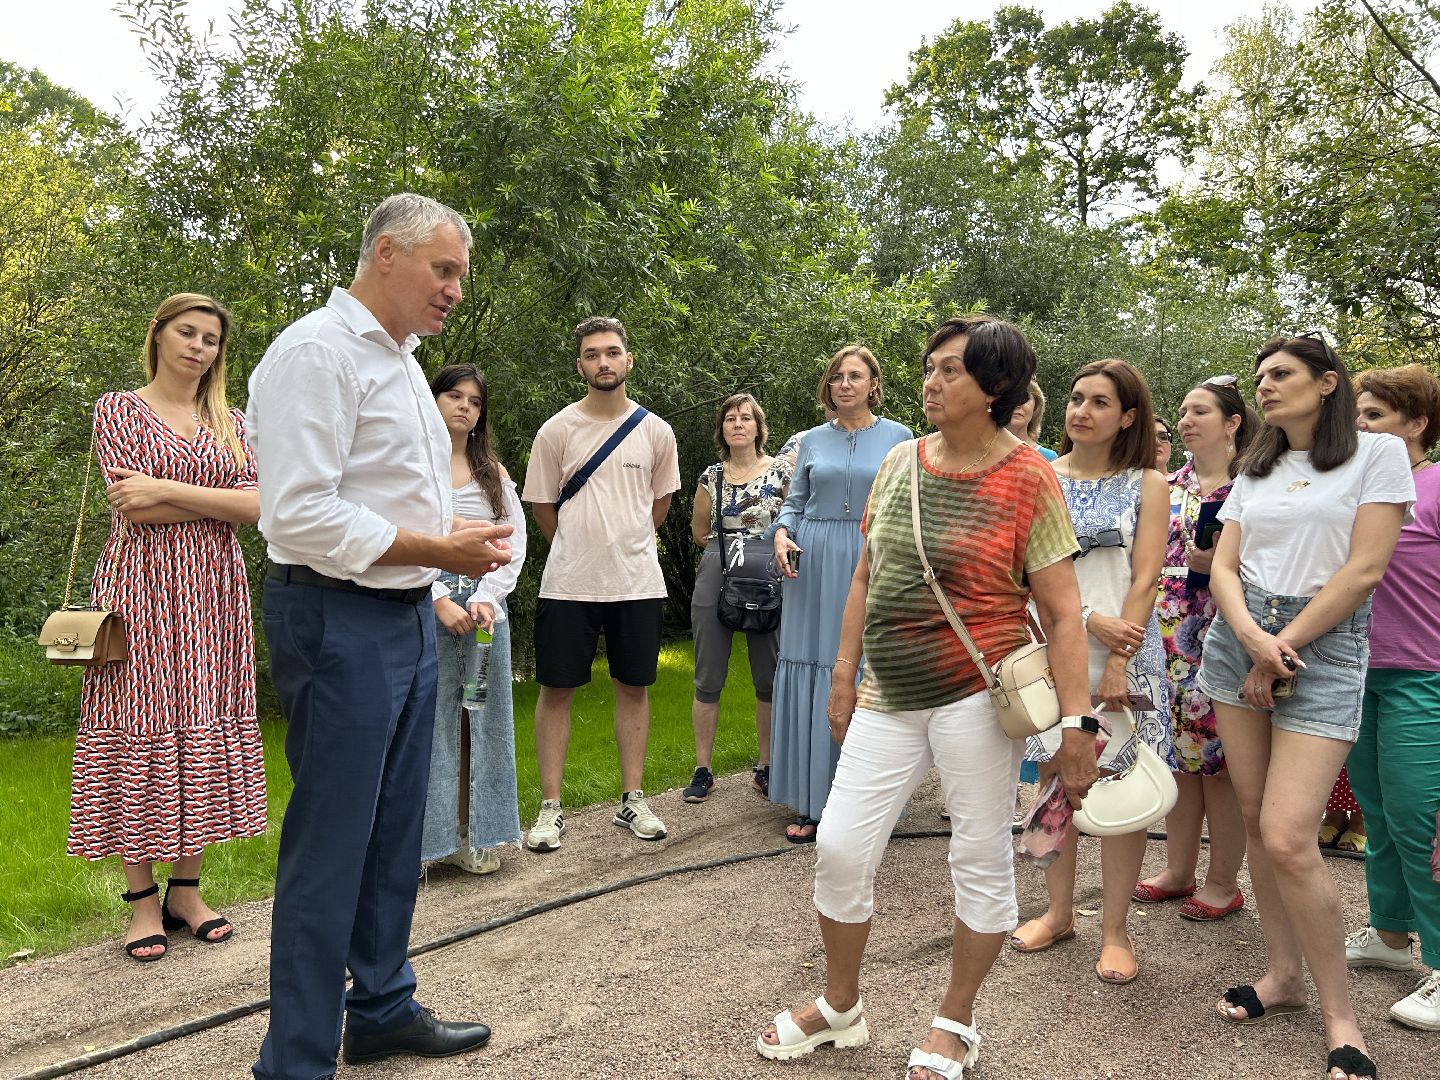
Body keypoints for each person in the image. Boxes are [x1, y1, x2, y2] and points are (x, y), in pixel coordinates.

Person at [755, 314, 1101, 1079]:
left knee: (977, 857)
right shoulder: (902, 462)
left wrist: (1079, 724)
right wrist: (844, 674)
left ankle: (955, 1021)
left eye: (951, 370)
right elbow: (866, 575)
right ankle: (840, 1007)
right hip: (887, 691)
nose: (932, 381)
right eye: (931, 368)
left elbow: (1065, 611)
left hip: (978, 695)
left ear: (995, 388)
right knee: (841, 846)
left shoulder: (1028, 475)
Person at [248, 194, 512, 1078]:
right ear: (387, 255)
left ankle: (383, 1009)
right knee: (333, 840)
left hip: (399, 616)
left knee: (394, 828)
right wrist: (439, 550)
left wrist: (432, 572)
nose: (454, 291)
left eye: (460, 276)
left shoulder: (400, 359)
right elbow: (300, 513)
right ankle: (294, 1061)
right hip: (333, 615)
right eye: (444, 270)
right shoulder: (315, 353)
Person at [1195, 333, 1412, 1080]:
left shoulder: (1376, 455)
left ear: (1328, 383)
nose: (1265, 385)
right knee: (1256, 818)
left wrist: (1279, 644)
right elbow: (1224, 564)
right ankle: (1281, 976)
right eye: (1259, 376)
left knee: (1290, 834)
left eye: (1280, 374)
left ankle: (1340, 1018)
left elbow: (1364, 571)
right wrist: (1253, 638)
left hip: (1322, 639)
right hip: (1241, 633)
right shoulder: (1260, 463)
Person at [68, 292, 265, 963]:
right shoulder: (118, 409)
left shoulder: (231, 420)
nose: (198, 348)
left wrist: (169, 491)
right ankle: (141, 904)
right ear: (157, 334)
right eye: (187, 332)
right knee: (140, 726)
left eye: (211, 339)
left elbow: (259, 507)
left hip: (214, 594)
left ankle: (186, 890)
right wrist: (207, 501)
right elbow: (133, 507)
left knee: (198, 727)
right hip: (143, 590)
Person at [1012, 358, 1171, 986]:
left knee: (1120, 789)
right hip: (1054, 651)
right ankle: (1058, 913)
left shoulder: (1147, 484)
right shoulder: (1039, 477)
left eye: (1100, 402)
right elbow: (1023, 578)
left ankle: (1114, 930)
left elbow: (1146, 575)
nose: (1082, 410)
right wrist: (1085, 618)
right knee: (1057, 782)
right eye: (1077, 398)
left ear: (1128, 416)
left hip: (1125, 658)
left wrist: (1120, 656)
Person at [521, 316, 681, 850]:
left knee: (633, 687)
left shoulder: (657, 431)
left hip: (637, 581)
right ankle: (550, 807)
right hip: (569, 583)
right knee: (556, 689)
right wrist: (581, 545)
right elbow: (544, 508)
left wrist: (622, 542)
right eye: (592, 354)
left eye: (612, 352)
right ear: (580, 365)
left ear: (628, 360)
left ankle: (632, 799)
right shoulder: (556, 431)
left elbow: (658, 506)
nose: (603, 362)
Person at [767, 346, 911, 842]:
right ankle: (811, 799)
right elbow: (795, 502)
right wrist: (782, 533)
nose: (844, 384)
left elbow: (908, 504)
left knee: (866, 669)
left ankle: (871, 802)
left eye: (855, 376)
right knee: (812, 664)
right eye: (836, 377)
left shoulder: (901, 438)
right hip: (813, 558)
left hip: (873, 556)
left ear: (874, 384)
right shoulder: (809, 440)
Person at [1135, 375, 1256, 921]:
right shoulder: (1167, 482)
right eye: (1182, 410)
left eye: (1199, 411)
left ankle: (1224, 881)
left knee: (1221, 766)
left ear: (1232, 423)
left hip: (1225, 634)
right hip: (1167, 635)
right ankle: (1179, 870)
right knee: (1179, 762)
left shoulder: (1255, 485)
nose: (1184, 420)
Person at [1345, 363, 1440, 1030]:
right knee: (1376, 812)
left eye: (1375, 415)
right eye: (1356, 413)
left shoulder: (1434, 487)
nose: (1360, 425)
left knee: (1420, 824)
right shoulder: (1358, 492)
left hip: (1424, 679)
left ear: (1417, 424)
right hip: (1358, 677)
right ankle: (1390, 934)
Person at [420, 365, 526, 875]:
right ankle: (425, 843)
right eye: (453, 396)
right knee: (429, 723)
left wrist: (487, 596)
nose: (464, 406)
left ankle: (473, 832)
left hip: (484, 613)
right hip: (425, 605)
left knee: (478, 717)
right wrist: (437, 595)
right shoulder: (412, 465)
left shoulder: (494, 474)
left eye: (475, 401)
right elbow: (398, 535)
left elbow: (514, 542)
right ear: (432, 399)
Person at [684, 393, 792, 802]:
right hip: (719, 569)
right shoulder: (711, 476)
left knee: (768, 675)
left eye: (746, 418)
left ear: (758, 427)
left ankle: (765, 766)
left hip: (769, 572)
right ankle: (702, 769)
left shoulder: (782, 473)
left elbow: (794, 518)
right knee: (708, 675)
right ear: (722, 429)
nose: (738, 424)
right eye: (730, 418)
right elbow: (699, 530)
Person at [1008, 378, 1059, 461]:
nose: (1017, 404)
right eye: (1010, 398)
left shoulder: (1049, 458)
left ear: (1035, 407)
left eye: (1024, 398)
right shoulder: (982, 453)